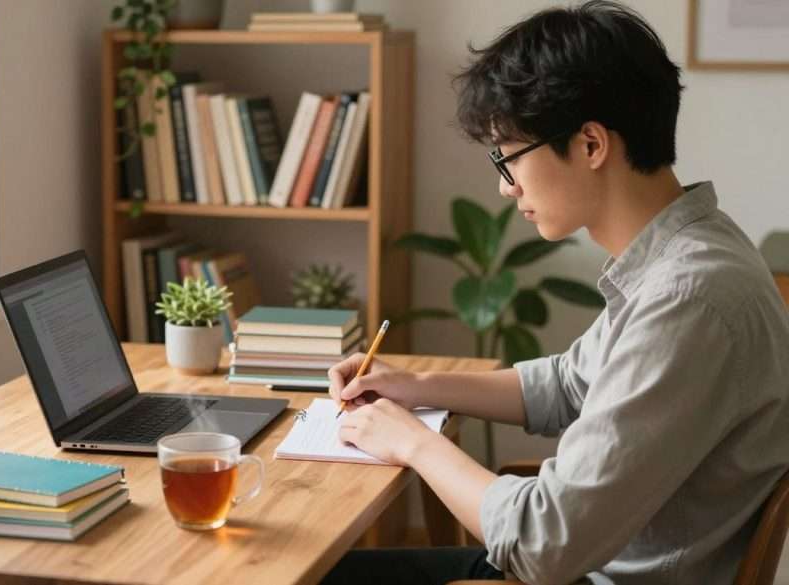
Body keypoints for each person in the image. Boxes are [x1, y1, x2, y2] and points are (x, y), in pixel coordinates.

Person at [320, 2, 789, 584]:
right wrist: (418, 388)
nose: (503, 184)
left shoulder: (689, 297)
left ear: (591, 144)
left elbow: (545, 544)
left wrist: (414, 444)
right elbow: (569, 381)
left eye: (509, 156)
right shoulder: (688, 251)